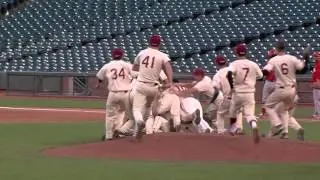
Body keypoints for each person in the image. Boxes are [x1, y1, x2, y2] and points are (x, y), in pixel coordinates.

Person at [263, 41, 309, 137]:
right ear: (284, 48)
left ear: (276, 49)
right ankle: (285, 132)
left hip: (281, 89)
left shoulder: (273, 60)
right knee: (284, 111)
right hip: (292, 90)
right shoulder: (291, 58)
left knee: (268, 106)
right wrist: (305, 58)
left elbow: (266, 71)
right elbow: (302, 68)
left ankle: (277, 124)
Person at [132, 34, 173, 140]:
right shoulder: (162, 55)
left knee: (136, 109)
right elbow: (168, 67)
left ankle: (139, 121)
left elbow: (134, 68)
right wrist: (170, 81)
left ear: (149, 42)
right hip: (154, 87)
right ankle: (138, 131)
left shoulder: (142, 53)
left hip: (141, 84)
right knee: (148, 107)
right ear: (160, 43)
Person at [227, 43, 263, 144]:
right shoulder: (253, 64)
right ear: (246, 53)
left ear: (236, 53)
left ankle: (233, 130)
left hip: (238, 92)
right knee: (249, 114)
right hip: (250, 92)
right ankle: (254, 126)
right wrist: (251, 78)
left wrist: (232, 87)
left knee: (233, 112)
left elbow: (229, 74)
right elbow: (260, 76)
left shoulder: (234, 63)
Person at [96, 48, 133, 141]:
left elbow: (100, 76)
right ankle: (119, 132)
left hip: (113, 94)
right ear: (122, 55)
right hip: (125, 93)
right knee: (122, 113)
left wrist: (99, 83)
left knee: (110, 116)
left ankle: (109, 136)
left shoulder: (107, 65)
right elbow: (135, 74)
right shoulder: (127, 65)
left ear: (112, 55)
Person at [175, 68, 223, 132]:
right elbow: (191, 85)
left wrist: (178, 93)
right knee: (209, 116)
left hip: (217, 99)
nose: (194, 76)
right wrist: (180, 84)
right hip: (213, 98)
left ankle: (220, 132)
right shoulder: (205, 78)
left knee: (215, 116)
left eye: (195, 75)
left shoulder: (202, 83)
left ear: (200, 75)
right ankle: (212, 130)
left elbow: (191, 90)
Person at [212, 55, 243, 134]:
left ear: (216, 64)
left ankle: (221, 131)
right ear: (226, 62)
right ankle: (238, 128)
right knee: (238, 112)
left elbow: (216, 90)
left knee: (220, 114)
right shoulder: (234, 69)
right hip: (240, 95)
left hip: (229, 97)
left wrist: (212, 101)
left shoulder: (217, 75)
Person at [260, 49, 277, 117]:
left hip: (270, 82)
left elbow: (265, 72)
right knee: (276, 99)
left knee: (265, 99)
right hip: (276, 83)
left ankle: (264, 114)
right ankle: (275, 114)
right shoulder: (279, 61)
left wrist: (261, 71)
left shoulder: (270, 62)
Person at [311, 51, 320, 119]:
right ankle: (316, 113)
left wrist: (317, 83)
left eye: (317, 56)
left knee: (317, 100)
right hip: (316, 83)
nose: (315, 57)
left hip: (318, 83)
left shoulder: (319, 64)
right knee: (316, 100)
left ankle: (318, 114)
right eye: (315, 56)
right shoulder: (316, 64)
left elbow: (318, 75)